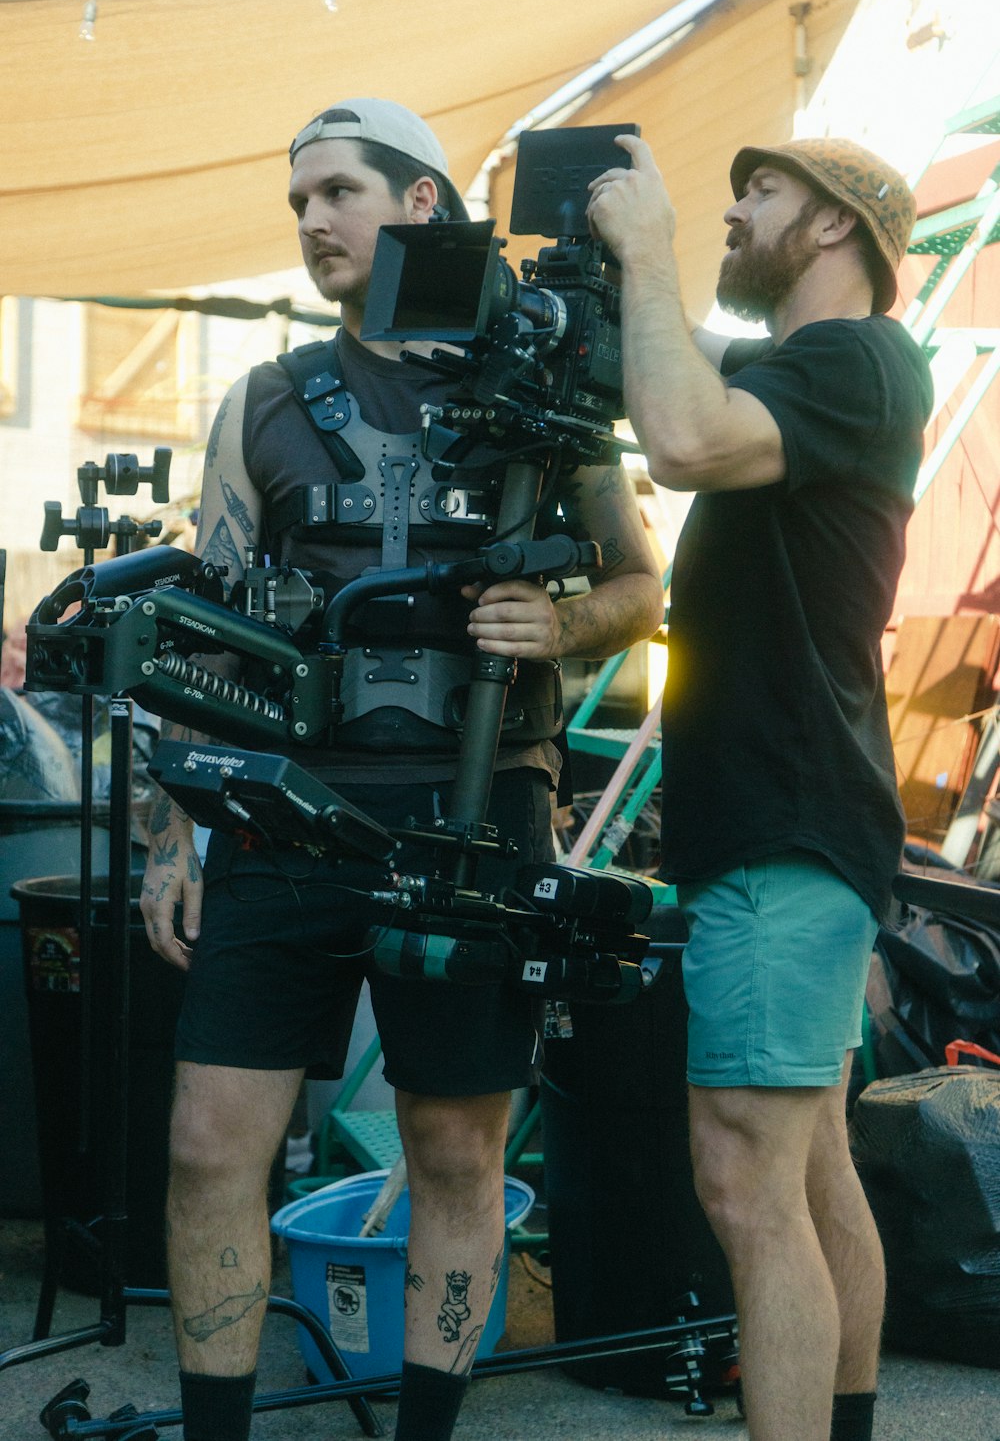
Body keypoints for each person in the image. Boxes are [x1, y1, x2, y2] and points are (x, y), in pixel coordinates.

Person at [139, 97, 663, 1441]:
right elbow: (201, 626)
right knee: (209, 1148)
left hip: (477, 822)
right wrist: (167, 833)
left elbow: (640, 587)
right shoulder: (261, 398)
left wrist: (560, 620)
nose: (312, 219)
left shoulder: (549, 386)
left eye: (339, 191)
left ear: (421, 202)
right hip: (280, 823)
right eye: (298, 199)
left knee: (452, 1146)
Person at [587, 136, 932, 1441]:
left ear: (838, 226)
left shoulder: (852, 359)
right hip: (798, 820)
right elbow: (671, 372)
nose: (735, 211)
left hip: (785, 825)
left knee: (745, 1180)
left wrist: (649, 239)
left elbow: (675, 438)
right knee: (812, 1164)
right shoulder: (818, 373)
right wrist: (612, 298)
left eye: (763, 193)